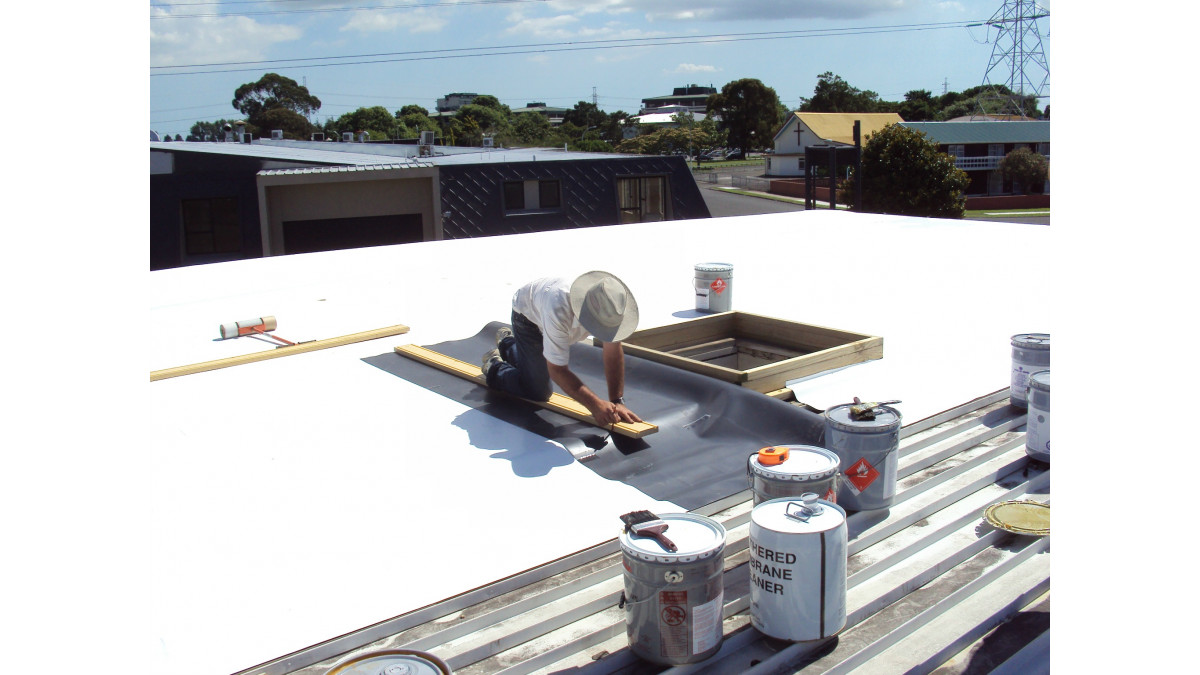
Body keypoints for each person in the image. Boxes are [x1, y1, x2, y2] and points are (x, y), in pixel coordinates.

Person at [483, 271, 643, 427]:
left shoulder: (611, 307)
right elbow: (557, 371)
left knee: (534, 367)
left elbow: (613, 353)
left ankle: (508, 343)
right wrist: (594, 404)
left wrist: (617, 401)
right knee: (538, 391)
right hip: (527, 318)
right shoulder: (558, 308)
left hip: (545, 310)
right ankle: (495, 366)